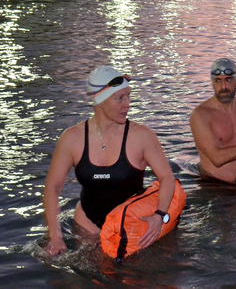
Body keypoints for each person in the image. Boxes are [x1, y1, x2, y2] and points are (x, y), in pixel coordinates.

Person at [43, 66, 176, 255]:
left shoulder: (141, 136)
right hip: (86, 225)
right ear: (99, 100)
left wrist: (159, 216)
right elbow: (52, 187)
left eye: (128, 96)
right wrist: (56, 237)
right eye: (119, 98)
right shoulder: (72, 138)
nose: (127, 104)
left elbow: (167, 178)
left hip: (130, 223)